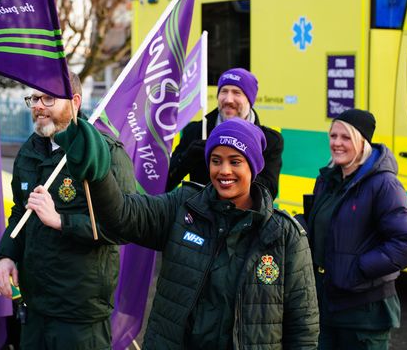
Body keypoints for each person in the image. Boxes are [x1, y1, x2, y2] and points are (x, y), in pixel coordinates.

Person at [48, 117, 319, 349]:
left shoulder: (285, 235)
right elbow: (123, 215)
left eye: (235, 161)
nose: (224, 171)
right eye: (216, 160)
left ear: (253, 167)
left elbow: (303, 329)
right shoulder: (182, 206)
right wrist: (98, 176)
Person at [0, 73, 136, 349]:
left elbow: (124, 226)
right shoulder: (28, 152)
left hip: (80, 313)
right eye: (34, 98)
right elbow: (19, 215)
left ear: (75, 102)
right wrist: (6, 255)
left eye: (48, 98)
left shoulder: (105, 153)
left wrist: (61, 221)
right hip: (35, 306)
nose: (38, 106)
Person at [305, 109, 407, 350]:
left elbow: (406, 243)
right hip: (326, 305)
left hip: (365, 313)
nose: (337, 143)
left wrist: (357, 269)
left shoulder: (384, 184)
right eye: (333, 136)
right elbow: (324, 224)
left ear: (362, 141)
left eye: (345, 137)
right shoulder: (327, 180)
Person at [167, 68, 283, 198]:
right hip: (199, 214)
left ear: (250, 100)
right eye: (224, 91)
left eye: (237, 93)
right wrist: (186, 159)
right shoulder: (196, 131)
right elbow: (166, 183)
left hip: (245, 216)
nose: (228, 99)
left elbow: (270, 191)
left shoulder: (270, 140)